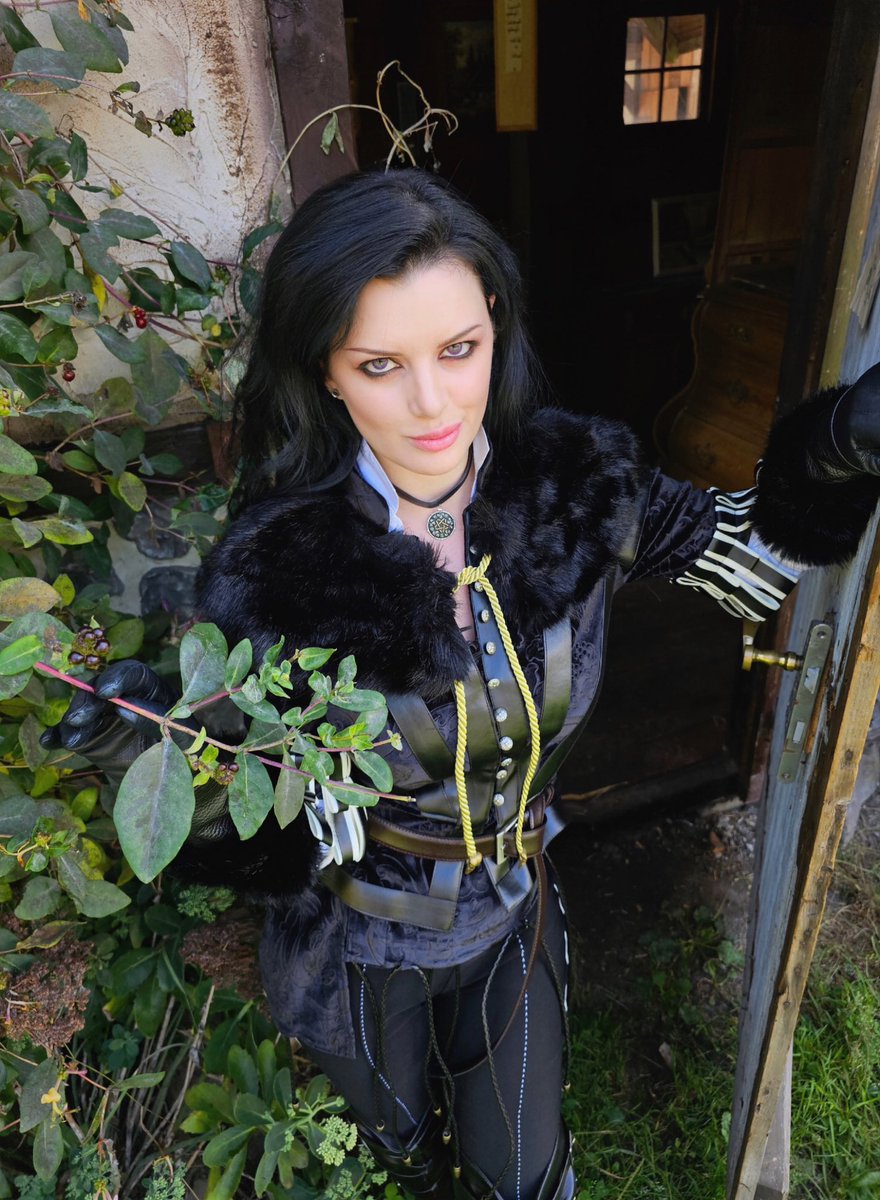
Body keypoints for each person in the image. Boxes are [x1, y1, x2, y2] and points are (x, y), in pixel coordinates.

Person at [43, 166, 880, 1200]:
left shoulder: (573, 484)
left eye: (458, 348)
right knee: (404, 1154)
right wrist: (152, 753)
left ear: (495, 324)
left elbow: (751, 562)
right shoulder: (282, 569)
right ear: (327, 372)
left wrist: (836, 449)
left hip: (512, 911)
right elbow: (261, 840)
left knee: (519, 1176)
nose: (432, 402)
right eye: (380, 364)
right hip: (355, 945)